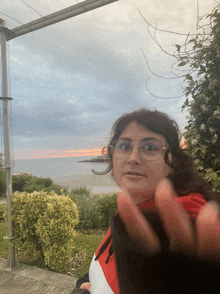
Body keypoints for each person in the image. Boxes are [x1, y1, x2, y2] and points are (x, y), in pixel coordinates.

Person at [72, 108, 220, 294]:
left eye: (150, 147)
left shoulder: (188, 230)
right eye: (125, 147)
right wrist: (87, 284)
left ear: (174, 161)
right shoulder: (132, 212)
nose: (133, 158)